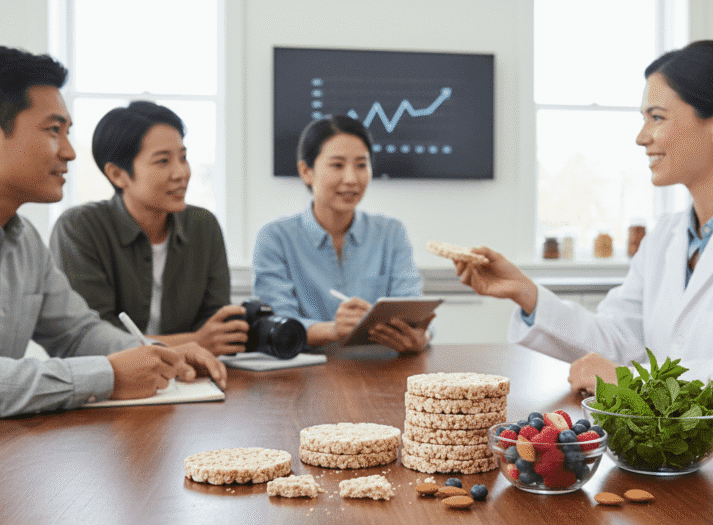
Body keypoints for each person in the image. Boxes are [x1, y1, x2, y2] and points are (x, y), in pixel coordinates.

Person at [452, 40, 713, 430]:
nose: (642, 137)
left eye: (657, 117)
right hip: (683, 457)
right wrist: (527, 294)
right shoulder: (668, 236)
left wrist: (634, 381)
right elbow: (619, 340)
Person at [0, 47, 225, 417]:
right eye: (54, 130)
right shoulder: (79, 227)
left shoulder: (25, 242)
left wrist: (156, 355)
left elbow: (79, 333)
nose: (71, 153)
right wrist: (108, 374)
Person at [49, 101, 249, 357]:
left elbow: (216, 326)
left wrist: (206, 340)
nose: (182, 173)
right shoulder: (79, 228)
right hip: (112, 385)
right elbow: (91, 339)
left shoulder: (203, 226)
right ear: (118, 174)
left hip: (191, 375)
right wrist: (195, 342)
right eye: (163, 161)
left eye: (183, 157)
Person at [253, 115, 432, 352]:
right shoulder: (275, 238)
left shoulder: (391, 233)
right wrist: (334, 330)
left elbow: (413, 309)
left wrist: (422, 336)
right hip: (305, 376)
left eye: (361, 165)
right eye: (337, 165)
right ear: (306, 171)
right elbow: (276, 324)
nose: (351, 179)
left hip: (381, 370)